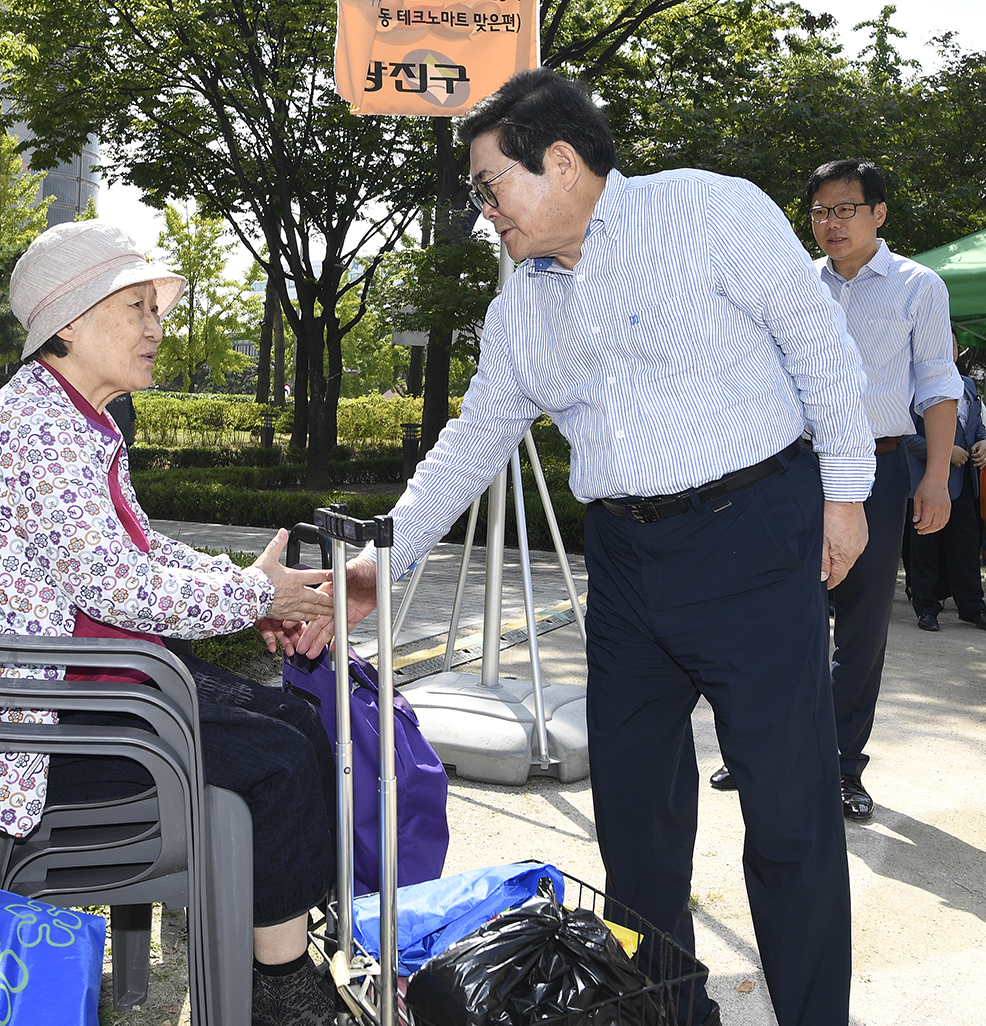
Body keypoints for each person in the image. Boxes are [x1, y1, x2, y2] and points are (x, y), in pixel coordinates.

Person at [307, 69, 872, 1026]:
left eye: (492, 186)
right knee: (636, 830)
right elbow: (473, 439)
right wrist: (381, 564)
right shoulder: (521, 303)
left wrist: (849, 494)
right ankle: (669, 1015)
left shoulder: (708, 212)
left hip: (753, 542)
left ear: (560, 162)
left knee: (789, 817)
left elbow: (819, 343)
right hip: (621, 564)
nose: (486, 213)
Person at [0, 220, 339, 1026]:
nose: (157, 326)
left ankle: (282, 949)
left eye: (158, 307)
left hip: (77, 697)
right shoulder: (42, 432)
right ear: (69, 323)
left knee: (291, 715)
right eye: (136, 306)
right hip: (42, 738)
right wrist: (259, 599)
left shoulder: (72, 418)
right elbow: (122, 587)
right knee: (281, 758)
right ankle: (282, 990)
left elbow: (144, 550)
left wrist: (249, 586)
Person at [714, 160, 963, 821]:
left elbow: (939, 384)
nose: (830, 223)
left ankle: (842, 768)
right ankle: (757, 753)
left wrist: (936, 476)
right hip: (790, 469)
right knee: (771, 620)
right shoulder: (793, 283)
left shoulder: (918, 287)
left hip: (879, 471)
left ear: (878, 213)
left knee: (860, 627)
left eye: (845, 209)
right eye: (820, 211)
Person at [905, 340, 986, 631]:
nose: (948, 347)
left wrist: (983, 442)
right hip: (928, 482)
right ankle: (927, 608)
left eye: (953, 343)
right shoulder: (913, 383)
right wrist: (943, 451)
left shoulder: (967, 385)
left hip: (965, 484)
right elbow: (906, 436)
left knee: (966, 549)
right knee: (926, 548)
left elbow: (976, 426)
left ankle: (971, 607)